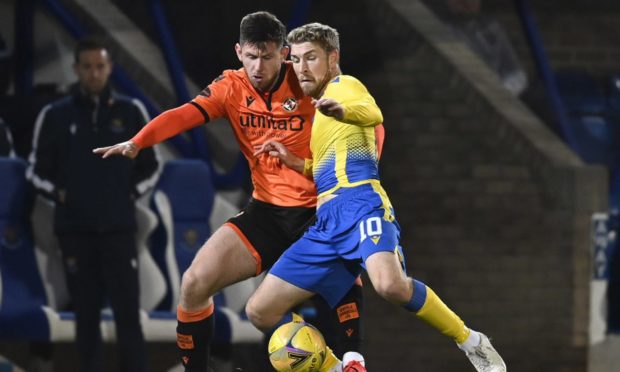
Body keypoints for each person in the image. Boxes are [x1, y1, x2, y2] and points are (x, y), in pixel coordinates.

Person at [93, 11, 367, 372]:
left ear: (284, 53)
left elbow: (365, 116)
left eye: (267, 57)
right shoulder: (230, 88)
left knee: (344, 282)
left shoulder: (310, 82)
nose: (258, 66)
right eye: (251, 56)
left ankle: (351, 361)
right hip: (266, 213)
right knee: (194, 283)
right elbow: (183, 115)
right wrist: (138, 141)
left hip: (319, 211)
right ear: (238, 52)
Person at [245, 22, 507, 372]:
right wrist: (292, 160)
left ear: (332, 58)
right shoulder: (318, 111)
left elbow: (373, 113)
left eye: (311, 58)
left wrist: (344, 110)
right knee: (259, 311)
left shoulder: (345, 87)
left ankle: (471, 341)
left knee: (389, 284)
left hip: (361, 205)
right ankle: (338, 368)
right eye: (295, 60)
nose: (301, 68)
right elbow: (326, 169)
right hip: (327, 223)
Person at [27, 36, 160, 372]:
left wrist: (127, 194)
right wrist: (61, 195)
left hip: (118, 231)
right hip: (75, 233)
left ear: (109, 68)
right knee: (86, 319)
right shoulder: (55, 115)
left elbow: (152, 166)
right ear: (76, 69)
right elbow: (34, 171)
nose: (93, 73)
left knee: (128, 315)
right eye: (86, 67)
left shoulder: (132, 112)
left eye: (100, 66)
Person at [442, 0, 528, 96]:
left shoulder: (491, 27)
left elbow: (515, 73)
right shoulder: (445, 32)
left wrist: (501, 92)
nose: (465, 2)